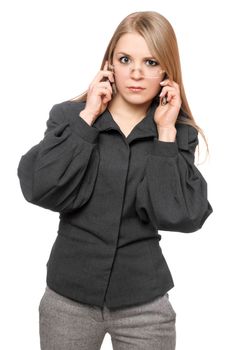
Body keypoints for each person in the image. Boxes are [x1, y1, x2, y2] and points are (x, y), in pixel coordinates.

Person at [17, 10, 213, 350]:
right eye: (126, 59)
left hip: (145, 305)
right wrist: (87, 118)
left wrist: (165, 134)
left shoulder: (177, 133)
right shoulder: (70, 117)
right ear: (110, 64)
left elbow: (182, 214)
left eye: (151, 62)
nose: (136, 73)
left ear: (167, 71)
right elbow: (39, 186)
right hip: (68, 300)